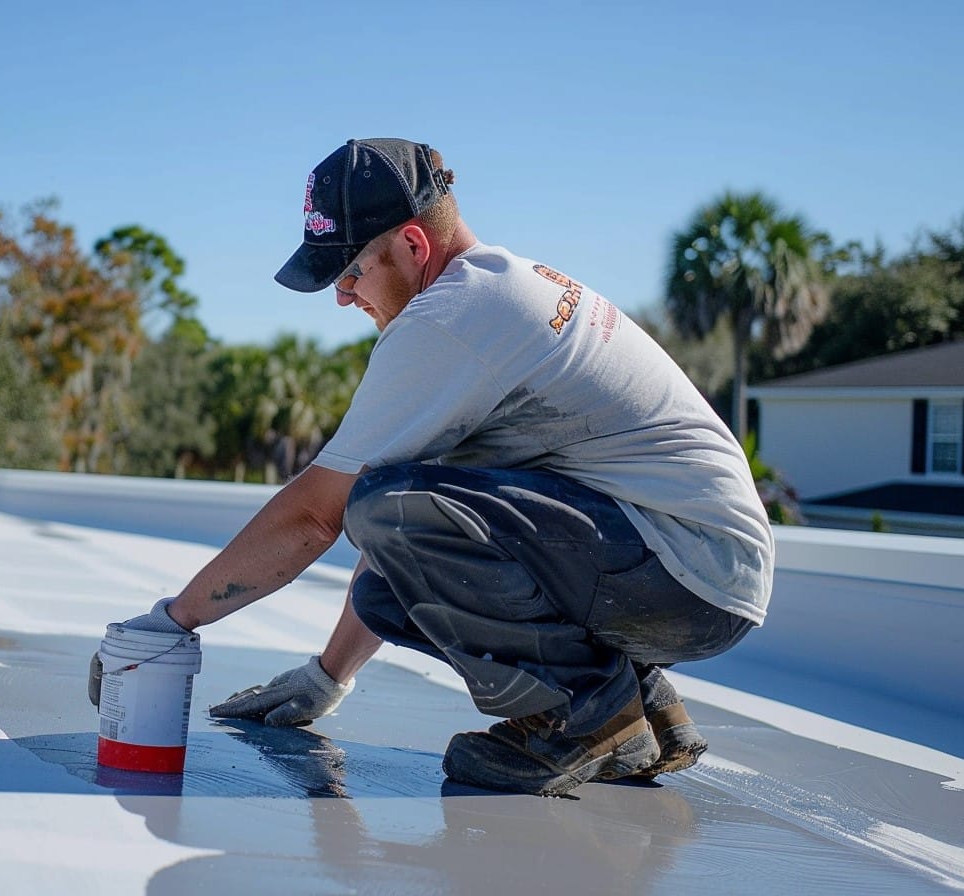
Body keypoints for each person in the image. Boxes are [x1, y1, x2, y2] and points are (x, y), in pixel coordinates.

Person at [100, 137, 774, 797]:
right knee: (383, 589)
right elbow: (421, 534)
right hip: (691, 568)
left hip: (684, 569)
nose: (341, 296)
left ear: (413, 247)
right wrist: (326, 678)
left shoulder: (451, 318)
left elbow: (316, 516)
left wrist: (174, 621)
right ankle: (647, 708)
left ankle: (589, 716)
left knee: (377, 505)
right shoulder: (494, 292)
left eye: (350, 271)